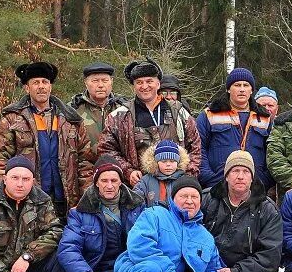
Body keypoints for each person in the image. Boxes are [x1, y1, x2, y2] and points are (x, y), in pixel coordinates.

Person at [0, 61, 94, 272]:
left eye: (45, 82)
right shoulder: (12, 118)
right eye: (35, 82)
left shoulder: (70, 118)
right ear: (27, 86)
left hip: (64, 197)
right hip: (25, 198)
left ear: (51, 86)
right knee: (23, 246)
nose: (41, 87)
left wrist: (82, 199)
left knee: (62, 250)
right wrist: (5, 195)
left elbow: (84, 160)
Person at [56, 158, 146, 272]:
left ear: (121, 181)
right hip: (97, 271)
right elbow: (68, 249)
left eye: (114, 180)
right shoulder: (80, 212)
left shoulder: (137, 207)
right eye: (104, 180)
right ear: (96, 182)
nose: (109, 185)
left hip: (129, 268)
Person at [202, 150, 283, 272]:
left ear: (252, 177)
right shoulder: (207, 199)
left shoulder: (267, 209)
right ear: (226, 176)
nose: (240, 176)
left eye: (246, 172)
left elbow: (269, 256)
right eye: (235, 171)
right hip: (208, 270)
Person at [99, 57, 202, 187]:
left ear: (158, 84)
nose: (144, 86)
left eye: (149, 81)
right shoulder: (119, 116)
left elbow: (195, 146)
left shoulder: (178, 111)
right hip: (138, 188)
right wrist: (127, 171)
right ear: (133, 86)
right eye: (139, 82)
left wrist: (187, 176)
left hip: (177, 186)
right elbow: (106, 149)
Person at [197, 66, 274, 190]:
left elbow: (273, 153)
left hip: (255, 188)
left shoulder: (265, 118)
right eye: (237, 85)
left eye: (246, 85)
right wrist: (208, 177)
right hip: (217, 186)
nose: (242, 89)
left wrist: (263, 180)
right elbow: (199, 148)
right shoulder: (209, 114)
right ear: (228, 89)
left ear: (252, 90)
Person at [70, 61, 126, 149]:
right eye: (95, 81)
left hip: (117, 162)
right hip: (84, 162)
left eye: (105, 81)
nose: (100, 85)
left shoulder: (124, 109)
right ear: (86, 82)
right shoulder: (73, 110)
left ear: (111, 81)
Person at [135, 140, 185, 207]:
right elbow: (135, 202)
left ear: (178, 162)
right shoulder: (145, 181)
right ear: (156, 162)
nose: (168, 164)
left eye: (172, 161)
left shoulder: (184, 180)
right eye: (163, 161)